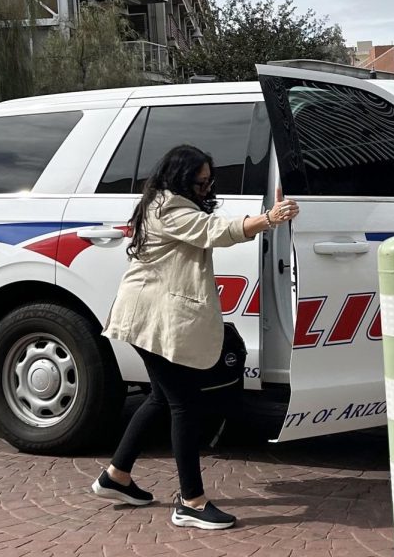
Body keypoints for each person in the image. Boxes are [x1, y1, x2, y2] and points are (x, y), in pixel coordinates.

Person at [91, 144, 299, 530]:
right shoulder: (169, 207)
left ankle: (116, 476)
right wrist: (268, 219)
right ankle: (191, 502)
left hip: (147, 319)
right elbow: (211, 231)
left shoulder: (165, 200)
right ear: (180, 178)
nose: (206, 188)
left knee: (160, 399)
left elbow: (209, 225)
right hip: (152, 320)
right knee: (184, 405)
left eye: (209, 181)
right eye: (199, 181)